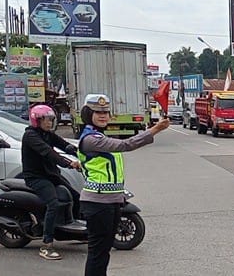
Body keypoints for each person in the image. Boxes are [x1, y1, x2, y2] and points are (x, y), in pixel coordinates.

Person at [77, 94, 170, 276]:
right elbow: (126, 144)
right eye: (97, 112)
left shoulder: (98, 136)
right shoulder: (92, 139)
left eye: (105, 112)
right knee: (98, 253)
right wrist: (155, 129)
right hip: (98, 203)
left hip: (111, 201)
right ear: (89, 114)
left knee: (103, 252)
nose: (103, 115)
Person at [21, 104, 82, 260]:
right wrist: (69, 163)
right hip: (36, 178)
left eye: (51, 120)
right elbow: (49, 153)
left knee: (76, 196)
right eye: (46, 120)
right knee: (53, 204)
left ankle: (76, 230)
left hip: (51, 175)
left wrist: (80, 151)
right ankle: (46, 244)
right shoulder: (31, 136)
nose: (49, 123)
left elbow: (63, 144)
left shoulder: (47, 134)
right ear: (36, 120)